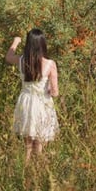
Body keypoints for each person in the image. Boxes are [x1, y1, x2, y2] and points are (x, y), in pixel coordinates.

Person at [5, 28, 59, 164]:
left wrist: (15, 42)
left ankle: (24, 175)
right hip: (42, 103)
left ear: (28, 43)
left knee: (27, 147)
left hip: (26, 101)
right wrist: (46, 89)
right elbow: (55, 92)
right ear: (43, 44)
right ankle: (38, 174)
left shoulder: (22, 60)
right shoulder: (50, 64)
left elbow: (8, 57)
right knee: (39, 147)